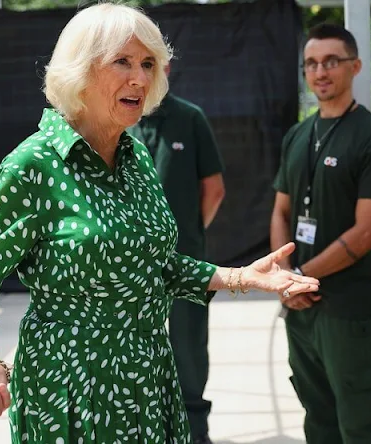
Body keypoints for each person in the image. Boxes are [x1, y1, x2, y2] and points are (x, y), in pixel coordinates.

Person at [0, 3, 319, 443]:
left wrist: (239, 276)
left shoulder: (135, 156)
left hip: (149, 378)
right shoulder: (33, 164)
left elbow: (152, 265)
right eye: (122, 61)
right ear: (81, 69)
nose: (140, 77)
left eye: (147, 63)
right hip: (71, 391)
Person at [270, 23, 371, 444]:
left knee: (360, 419)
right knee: (316, 412)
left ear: (355, 66)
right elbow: (281, 210)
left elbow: (364, 234)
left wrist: (301, 275)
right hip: (301, 306)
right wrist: (285, 277)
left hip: (346, 308)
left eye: (331, 62)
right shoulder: (297, 134)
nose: (320, 71)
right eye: (311, 63)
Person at [128, 63, 225, 444]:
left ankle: (193, 429)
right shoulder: (119, 120)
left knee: (187, 345)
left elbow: (214, 188)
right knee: (135, 344)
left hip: (185, 257)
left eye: (151, 62)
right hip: (129, 266)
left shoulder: (190, 117)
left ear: (166, 68)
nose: (142, 73)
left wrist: (186, 235)